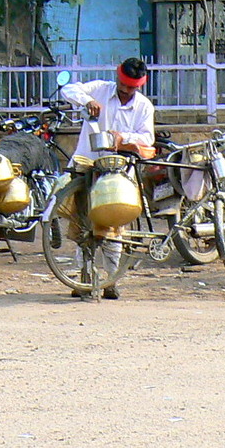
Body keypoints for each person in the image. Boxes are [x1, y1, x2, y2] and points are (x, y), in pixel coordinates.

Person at [59, 57, 155, 299]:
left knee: (113, 227)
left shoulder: (144, 107)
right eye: (123, 84)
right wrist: (88, 100)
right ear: (117, 77)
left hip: (119, 171)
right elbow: (68, 89)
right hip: (88, 165)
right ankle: (84, 278)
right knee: (83, 225)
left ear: (140, 85)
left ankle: (111, 280)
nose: (126, 90)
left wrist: (122, 138)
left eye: (132, 87)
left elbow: (147, 139)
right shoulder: (100, 89)